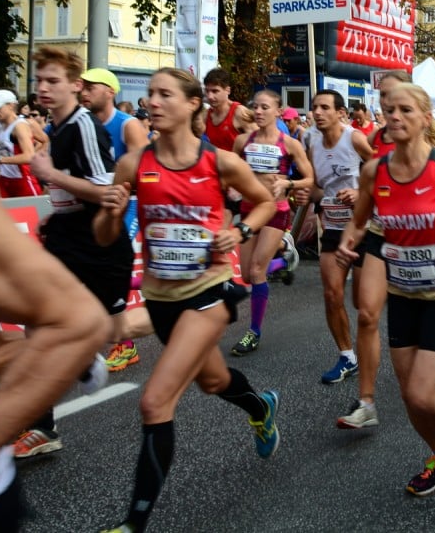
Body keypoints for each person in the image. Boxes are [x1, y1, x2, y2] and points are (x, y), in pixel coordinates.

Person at [94, 67, 280, 533]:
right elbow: (105, 237)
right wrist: (111, 213)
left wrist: (240, 230)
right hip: (161, 298)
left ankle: (132, 524)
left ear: (192, 103)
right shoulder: (133, 164)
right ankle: (261, 409)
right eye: (150, 94)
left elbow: (264, 202)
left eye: (165, 94)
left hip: (208, 295)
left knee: (155, 402)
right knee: (213, 381)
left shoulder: (219, 162)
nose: (153, 102)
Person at [337, 82, 435, 496]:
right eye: (389, 109)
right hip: (403, 293)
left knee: (421, 392)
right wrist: (348, 242)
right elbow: (359, 219)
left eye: (405, 110)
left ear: (426, 119)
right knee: (410, 397)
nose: (394, 116)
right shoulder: (375, 171)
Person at [0, 121, 110, 531]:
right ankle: (74, 364)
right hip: (57, 236)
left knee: (160, 397)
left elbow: (78, 321)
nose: (43, 90)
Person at [15, 46, 133, 458]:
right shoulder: (57, 126)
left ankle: (84, 357)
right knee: (37, 322)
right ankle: (42, 425)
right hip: (67, 238)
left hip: (98, 245)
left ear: (74, 86)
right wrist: (57, 212)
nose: (43, 88)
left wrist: (50, 175)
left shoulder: (83, 125)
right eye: (39, 81)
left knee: (115, 329)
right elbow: (74, 188)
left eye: (53, 81)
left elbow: (107, 192)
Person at [334, 69, 412, 429]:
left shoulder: (430, 139)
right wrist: (351, 235)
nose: (389, 106)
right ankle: (366, 402)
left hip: (420, 240)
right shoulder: (374, 139)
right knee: (367, 315)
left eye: (396, 99)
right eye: (383, 99)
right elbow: (368, 188)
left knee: (416, 320)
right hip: (381, 233)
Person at [230, 89, 314, 356]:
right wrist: (231, 187)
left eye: (265, 107)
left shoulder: (289, 144)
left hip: (276, 211)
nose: (259, 111)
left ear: (278, 111)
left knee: (256, 271)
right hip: (249, 210)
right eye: (255, 106)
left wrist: (289, 184)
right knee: (246, 274)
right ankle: (284, 261)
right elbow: (231, 171)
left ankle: (253, 332)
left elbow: (309, 178)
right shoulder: (242, 141)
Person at [81, 67, 151, 372]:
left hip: (130, 204)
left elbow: (145, 168)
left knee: (112, 268)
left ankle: (125, 344)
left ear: (110, 91)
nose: (84, 92)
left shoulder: (127, 124)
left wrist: (114, 183)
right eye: (82, 87)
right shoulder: (82, 122)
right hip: (96, 206)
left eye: (91, 87)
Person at [306, 90, 373, 385]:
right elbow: (315, 188)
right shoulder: (313, 144)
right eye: (315, 107)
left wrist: (359, 192)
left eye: (325, 107)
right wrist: (318, 195)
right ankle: (347, 356)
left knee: (361, 303)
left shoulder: (354, 139)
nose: (318, 113)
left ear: (340, 113)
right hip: (333, 227)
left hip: (364, 227)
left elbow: (382, 173)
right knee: (332, 294)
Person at [0, 89, 44, 197]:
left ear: (11, 105)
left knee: (31, 208)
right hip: (1, 179)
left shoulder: (19, 126)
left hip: (21, 180)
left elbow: (29, 156)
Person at [204, 68, 256, 152]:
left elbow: (260, 140)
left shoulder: (240, 112)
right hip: (217, 160)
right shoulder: (206, 115)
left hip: (238, 160)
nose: (210, 96)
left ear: (227, 90)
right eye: (207, 91)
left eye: (215, 91)